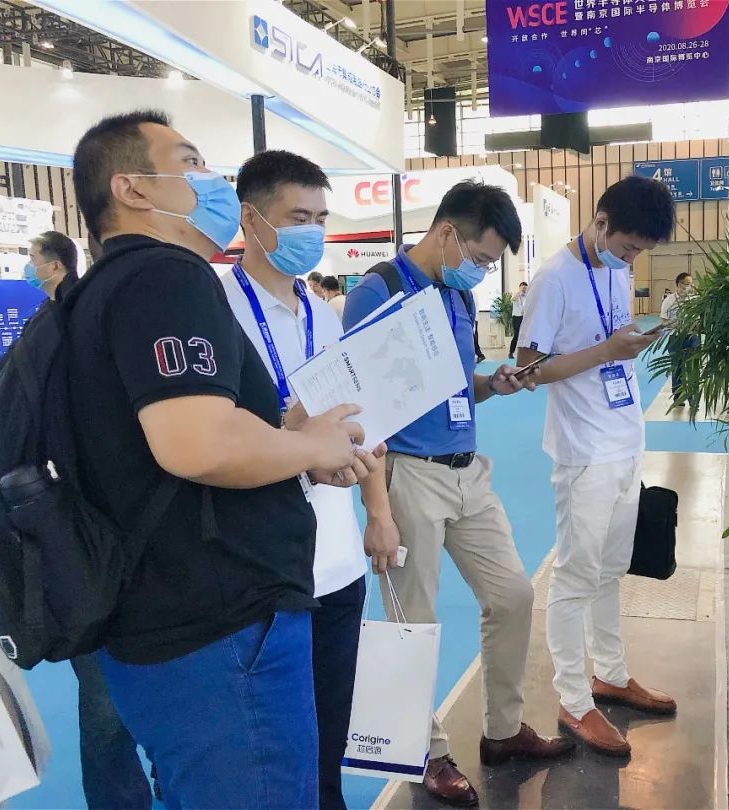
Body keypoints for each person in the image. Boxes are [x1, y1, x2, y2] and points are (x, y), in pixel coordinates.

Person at [67, 109, 380, 808]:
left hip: (163, 617)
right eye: (189, 162)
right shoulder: (166, 277)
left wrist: (288, 440)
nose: (208, 178)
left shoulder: (103, 288)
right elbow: (198, 443)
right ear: (132, 188)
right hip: (219, 627)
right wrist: (309, 446)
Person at [342, 181, 574, 807]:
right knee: (412, 621)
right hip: (409, 474)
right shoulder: (378, 293)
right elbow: (363, 410)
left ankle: (503, 730)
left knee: (513, 594)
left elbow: (451, 386)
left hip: (470, 471)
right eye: (482, 257)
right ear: (447, 233)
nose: (484, 271)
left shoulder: (456, 295)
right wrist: (378, 509)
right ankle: (425, 753)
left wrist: (492, 384)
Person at [223, 150, 387, 810]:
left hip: (338, 562)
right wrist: (292, 438)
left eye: (320, 219)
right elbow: (213, 441)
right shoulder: (215, 308)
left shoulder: (323, 312)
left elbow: (356, 418)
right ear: (251, 218)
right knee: (269, 750)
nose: (313, 233)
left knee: (329, 734)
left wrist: (379, 510)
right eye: (298, 218)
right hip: (264, 570)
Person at [517, 176, 678, 757]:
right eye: (629, 247)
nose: (631, 260)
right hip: (584, 451)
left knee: (610, 571)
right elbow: (528, 370)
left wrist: (630, 340)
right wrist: (607, 350)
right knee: (576, 578)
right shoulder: (553, 279)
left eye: (640, 253)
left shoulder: (616, 269)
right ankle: (573, 699)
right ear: (601, 222)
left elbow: (608, 340)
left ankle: (610, 674)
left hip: (624, 440)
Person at [661, 272, 697, 405]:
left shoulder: (695, 300)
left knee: (693, 369)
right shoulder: (669, 301)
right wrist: (677, 325)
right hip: (675, 339)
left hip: (692, 338)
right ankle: (678, 398)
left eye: (691, 284)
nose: (690, 287)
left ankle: (693, 399)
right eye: (687, 284)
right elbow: (664, 321)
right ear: (679, 284)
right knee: (677, 369)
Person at [24, 230, 78, 302]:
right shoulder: (55, 302)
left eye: (33, 258)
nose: (28, 264)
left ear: (55, 266)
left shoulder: (79, 303)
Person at [507, 281, 528, 359]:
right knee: (516, 335)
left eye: (525, 286)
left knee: (524, 336)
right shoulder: (516, 294)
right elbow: (512, 299)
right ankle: (511, 352)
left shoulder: (527, 296)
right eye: (522, 286)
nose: (524, 288)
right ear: (519, 287)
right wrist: (520, 292)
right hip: (517, 317)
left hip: (524, 317)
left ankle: (523, 353)